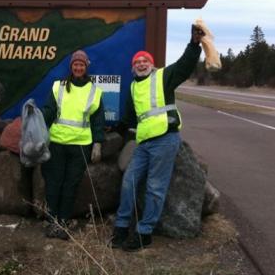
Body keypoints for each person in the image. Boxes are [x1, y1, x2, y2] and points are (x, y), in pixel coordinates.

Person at [110, 24, 206, 251]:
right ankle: (122, 227)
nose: (141, 63)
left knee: (155, 187)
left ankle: (144, 232)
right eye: (137, 62)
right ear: (133, 68)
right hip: (143, 143)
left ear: (151, 65)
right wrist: (114, 132)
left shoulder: (163, 77)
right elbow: (129, 118)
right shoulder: (133, 88)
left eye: (144, 60)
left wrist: (194, 44)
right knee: (128, 183)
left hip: (165, 139)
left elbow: (185, 66)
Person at [41, 50, 105, 240]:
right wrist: (36, 124)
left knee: (71, 185)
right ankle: (52, 221)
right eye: (75, 64)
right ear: (71, 67)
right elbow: (48, 111)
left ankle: (64, 222)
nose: (78, 67)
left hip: (80, 145)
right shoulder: (58, 87)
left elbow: (98, 120)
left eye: (81, 65)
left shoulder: (94, 91)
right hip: (57, 143)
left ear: (86, 67)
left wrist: (98, 143)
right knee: (54, 183)